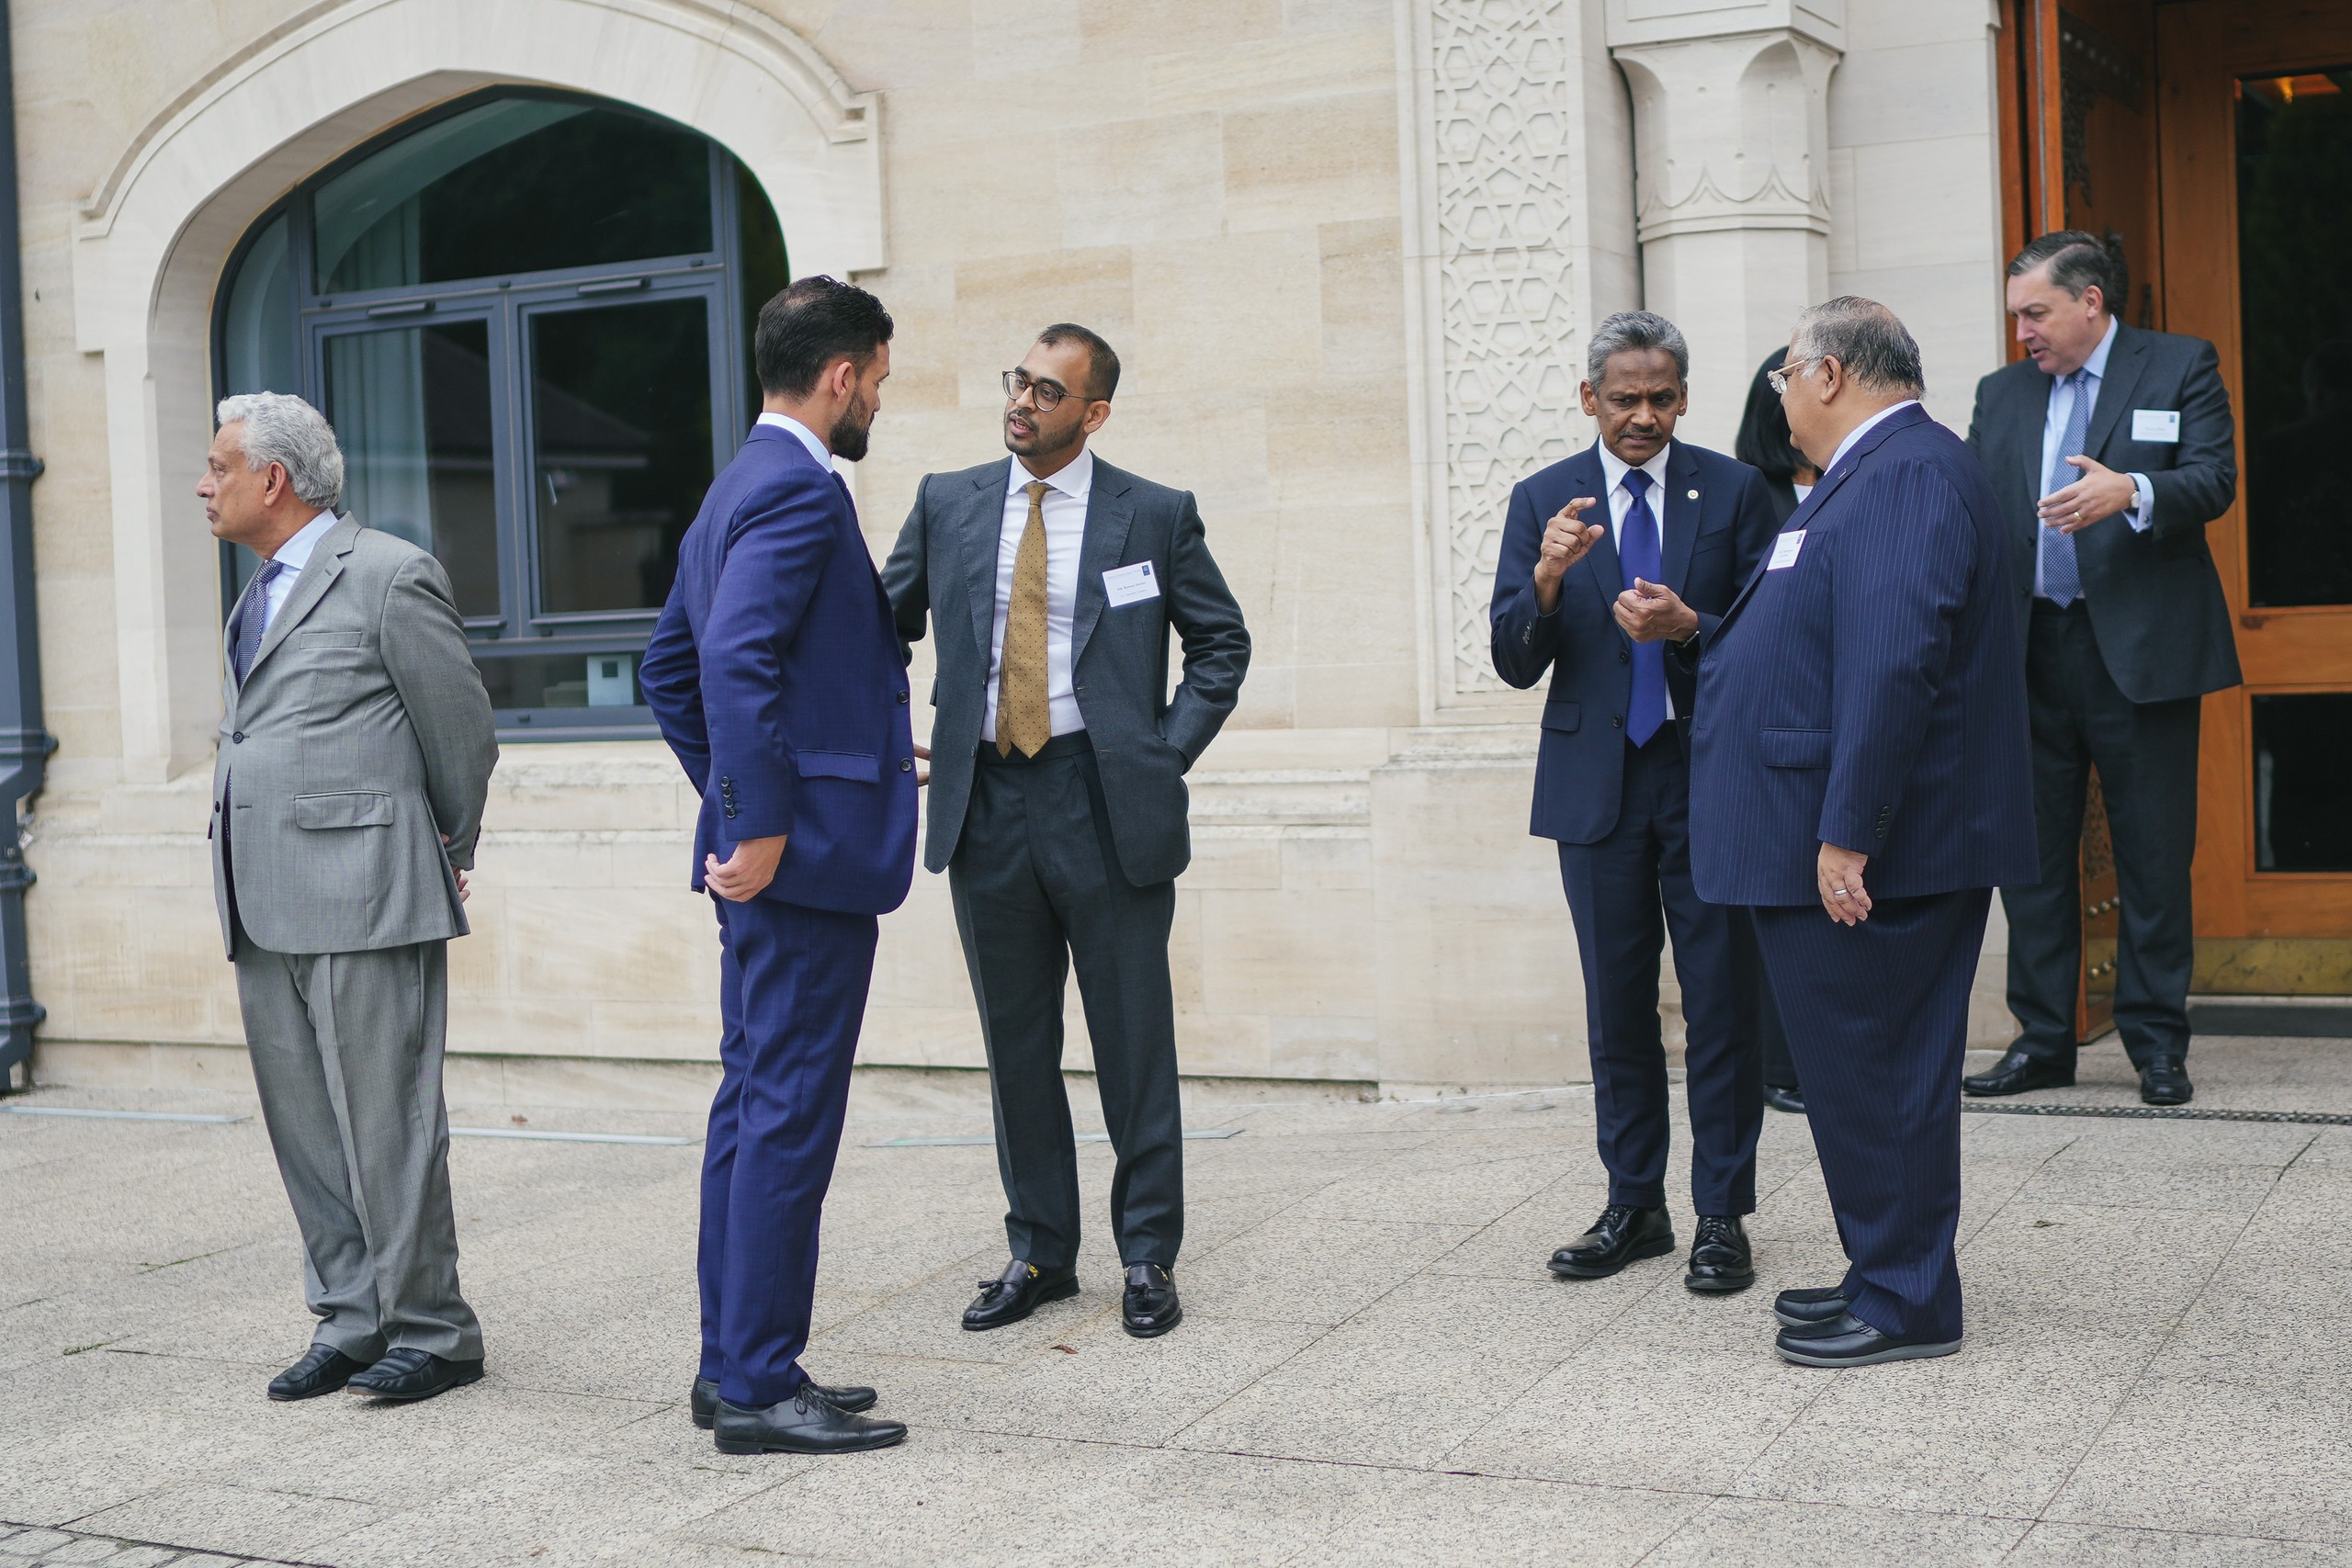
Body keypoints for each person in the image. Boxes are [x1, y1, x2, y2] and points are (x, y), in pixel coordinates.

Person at [1666, 298, 2036, 1366]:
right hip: (1838, 831)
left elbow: (1893, 662)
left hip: (1880, 847)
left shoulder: (1906, 471)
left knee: (1878, 1071)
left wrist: (1847, 832)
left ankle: (1908, 1301)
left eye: (1783, 376)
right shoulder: (1868, 473)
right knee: (1854, 1071)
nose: (1780, 398)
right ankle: (1884, 1271)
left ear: (1826, 374)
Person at [882, 325, 1250, 1340]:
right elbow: (878, 625)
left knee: (1133, 1039)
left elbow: (1221, 643)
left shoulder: (1154, 514)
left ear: (1093, 414)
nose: (1021, 401)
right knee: (1017, 1044)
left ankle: (1146, 1255)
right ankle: (1040, 1251)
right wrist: (888, 733)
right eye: (1019, 381)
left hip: (1104, 798)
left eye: (1047, 391)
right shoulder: (947, 501)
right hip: (987, 799)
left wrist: (1160, 754)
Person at [639, 276, 920, 1456]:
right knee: (788, 1115)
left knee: (755, 1106)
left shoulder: (732, 486)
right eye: (879, 383)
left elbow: (668, 667)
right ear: (841, 375)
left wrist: (752, 792)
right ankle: (757, 1384)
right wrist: (758, 820)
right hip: (796, 868)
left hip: (773, 857)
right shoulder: (801, 489)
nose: (878, 404)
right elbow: (731, 658)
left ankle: (735, 1367)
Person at [201, 392, 498, 1404]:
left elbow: (461, 731)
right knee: (306, 1129)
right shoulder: (257, 592)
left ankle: (434, 1331)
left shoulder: (389, 573)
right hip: (259, 895)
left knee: (389, 1125)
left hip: (368, 893)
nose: (204, 485)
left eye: (218, 467)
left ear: (273, 479)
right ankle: (353, 1317)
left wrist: (446, 845)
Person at [1490, 310, 1781, 1295]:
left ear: (1684, 397)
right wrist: (1545, 580)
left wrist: (1691, 625)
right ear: (1590, 399)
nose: (1643, 416)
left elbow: (1777, 636)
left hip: (1708, 782)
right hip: (1596, 789)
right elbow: (1512, 660)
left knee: (1721, 1005)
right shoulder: (1544, 500)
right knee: (1616, 1008)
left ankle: (1722, 1214)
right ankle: (1635, 1205)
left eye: (1660, 397)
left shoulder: (1736, 490)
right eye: (1624, 399)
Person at [1962, 232, 2239, 1108]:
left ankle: (2155, 1042)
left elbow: (2215, 478)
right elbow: (1971, 507)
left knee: (2152, 853)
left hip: (2141, 652)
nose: (2023, 334)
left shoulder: (2179, 364)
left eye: (2036, 314)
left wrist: (2135, 491)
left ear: (2090, 301)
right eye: (2016, 317)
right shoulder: (2002, 393)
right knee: (2032, 855)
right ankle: (2044, 1039)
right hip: (2027, 651)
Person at [1731, 347, 1819, 1117]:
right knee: (1777, 898)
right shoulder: (1746, 492)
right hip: (1768, 724)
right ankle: (1779, 1065)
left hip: (1833, 721)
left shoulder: (1853, 479)